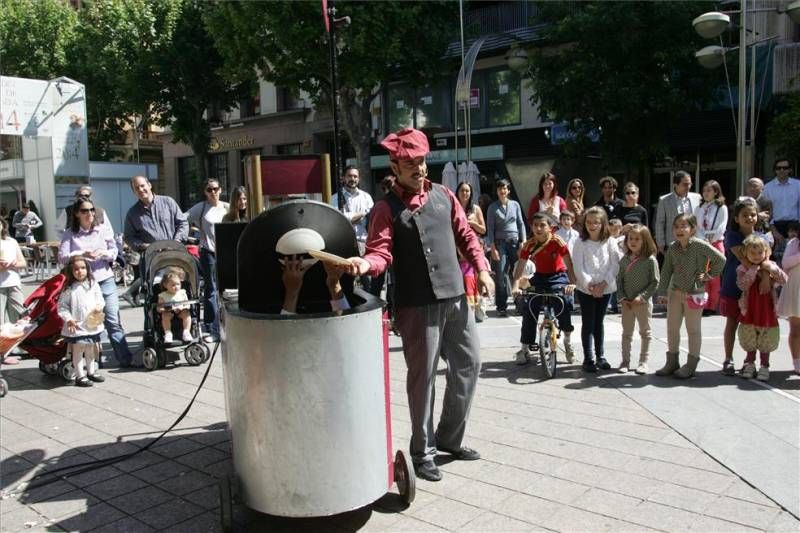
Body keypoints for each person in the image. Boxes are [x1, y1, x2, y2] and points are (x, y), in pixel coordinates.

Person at [340, 127, 493, 483]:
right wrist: (366, 264)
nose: (420, 169)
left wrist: (483, 269)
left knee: (470, 364)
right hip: (415, 304)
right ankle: (422, 450)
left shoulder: (444, 195)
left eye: (422, 162)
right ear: (394, 164)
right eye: (411, 164)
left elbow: (466, 235)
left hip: (456, 297)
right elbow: (379, 251)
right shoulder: (384, 208)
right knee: (422, 379)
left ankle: (449, 438)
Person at [59, 198, 135, 368]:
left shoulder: (103, 229)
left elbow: (115, 251)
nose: (90, 214)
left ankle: (125, 359)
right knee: (87, 323)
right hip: (82, 284)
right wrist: (81, 253)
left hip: (104, 279)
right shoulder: (70, 233)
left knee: (112, 320)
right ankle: (92, 363)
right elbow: (62, 257)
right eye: (85, 211)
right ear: (77, 214)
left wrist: (103, 253)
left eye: (92, 210)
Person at [655, 214, 725, 379]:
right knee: (672, 328)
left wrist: (709, 275)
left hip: (694, 294)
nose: (679, 230)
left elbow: (720, 259)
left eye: (684, 226)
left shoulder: (700, 245)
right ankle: (672, 361)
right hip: (675, 293)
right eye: (676, 226)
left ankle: (691, 364)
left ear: (693, 229)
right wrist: (663, 291)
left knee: (693, 330)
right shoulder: (672, 248)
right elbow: (666, 271)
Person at [511, 212, 576, 365]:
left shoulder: (557, 241)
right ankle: (524, 348)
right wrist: (515, 287)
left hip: (557, 276)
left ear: (550, 227)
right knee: (530, 308)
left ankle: (567, 341)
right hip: (540, 277)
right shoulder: (529, 244)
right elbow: (520, 267)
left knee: (564, 304)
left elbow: (569, 265)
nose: (538, 228)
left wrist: (572, 283)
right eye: (535, 225)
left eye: (542, 225)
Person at [122, 175, 188, 307]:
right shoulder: (132, 213)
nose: (141, 189)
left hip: (174, 255)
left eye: (142, 186)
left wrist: (175, 242)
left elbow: (182, 223)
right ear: (134, 192)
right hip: (153, 259)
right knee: (156, 294)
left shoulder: (168, 202)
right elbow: (129, 237)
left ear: (149, 185)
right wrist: (143, 246)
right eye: (137, 188)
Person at [572, 207, 623, 372]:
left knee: (598, 322)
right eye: (588, 222)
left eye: (596, 222)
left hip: (605, 288)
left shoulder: (610, 241)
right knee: (588, 322)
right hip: (586, 289)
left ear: (603, 224)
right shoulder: (580, 242)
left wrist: (603, 284)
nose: (592, 225)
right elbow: (578, 267)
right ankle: (588, 358)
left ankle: (600, 356)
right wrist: (589, 285)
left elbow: (615, 264)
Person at [736, 236, 788, 382]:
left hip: (766, 309)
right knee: (749, 336)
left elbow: (784, 280)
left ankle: (764, 366)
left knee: (766, 337)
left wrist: (770, 269)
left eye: (760, 252)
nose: (757, 256)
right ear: (746, 254)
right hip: (750, 309)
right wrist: (753, 270)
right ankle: (750, 363)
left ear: (766, 252)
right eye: (753, 253)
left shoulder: (771, 267)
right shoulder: (742, 268)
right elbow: (742, 285)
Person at [186, 178, 229, 342]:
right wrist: (190, 236)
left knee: (226, 289)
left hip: (225, 253)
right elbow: (184, 218)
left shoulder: (226, 207)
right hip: (208, 252)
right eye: (209, 190)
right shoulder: (201, 208)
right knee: (211, 289)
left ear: (220, 189)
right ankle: (211, 326)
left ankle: (225, 323)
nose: (213, 192)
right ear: (205, 192)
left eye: (216, 189)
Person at [719, 198, 759, 376]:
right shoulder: (732, 236)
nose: (749, 218)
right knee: (732, 322)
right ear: (736, 218)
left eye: (753, 214)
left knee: (752, 325)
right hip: (733, 284)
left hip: (755, 287)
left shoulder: (761, 237)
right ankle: (728, 359)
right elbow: (745, 259)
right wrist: (761, 264)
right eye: (745, 215)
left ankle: (750, 361)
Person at [616, 224, 659, 374]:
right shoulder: (624, 260)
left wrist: (642, 297)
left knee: (645, 332)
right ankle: (625, 361)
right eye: (630, 239)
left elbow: (655, 282)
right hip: (627, 303)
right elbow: (619, 280)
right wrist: (621, 298)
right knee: (626, 333)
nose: (633, 242)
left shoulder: (650, 260)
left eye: (637, 239)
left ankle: (643, 362)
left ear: (645, 240)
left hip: (643, 303)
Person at [57, 255, 106, 387]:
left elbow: (100, 298)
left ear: (88, 269)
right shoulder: (69, 288)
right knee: (78, 350)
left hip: (92, 323)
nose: (80, 271)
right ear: (71, 271)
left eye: (83, 268)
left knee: (90, 349)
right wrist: (68, 319)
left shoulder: (93, 284)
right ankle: (80, 375)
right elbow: (62, 306)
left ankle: (91, 371)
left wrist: (99, 306)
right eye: (76, 269)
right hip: (77, 326)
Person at [486, 179, 526, 317]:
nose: (503, 191)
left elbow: (521, 224)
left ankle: (520, 303)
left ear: (509, 190)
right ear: (496, 191)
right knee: (501, 274)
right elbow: (490, 229)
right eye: (500, 188)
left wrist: (523, 241)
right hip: (500, 243)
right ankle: (501, 306)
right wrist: (493, 248)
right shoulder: (492, 207)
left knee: (518, 273)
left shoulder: (515, 205)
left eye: (505, 188)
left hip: (515, 242)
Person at [693, 180, 727, 314]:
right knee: (702, 274)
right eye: (704, 190)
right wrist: (702, 239)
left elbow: (721, 226)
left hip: (716, 243)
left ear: (716, 192)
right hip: (701, 242)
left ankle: (713, 305)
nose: (706, 193)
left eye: (709, 190)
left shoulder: (721, 207)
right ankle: (703, 304)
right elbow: (696, 226)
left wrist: (711, 239)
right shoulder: (699, 208)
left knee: (714, 276)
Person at [456, 182, 487, 323]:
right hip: (457, 248)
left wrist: (473, 224)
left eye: (467, 191)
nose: (465, 193)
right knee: (461, 280)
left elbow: (483, 230)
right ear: (457, 192)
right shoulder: (453, 208)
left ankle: (476, 308)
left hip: (474, 248)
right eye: (462, 190)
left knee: (473, 280)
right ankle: (463, 310)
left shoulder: (476, 209)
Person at [654, 171, 702, 254]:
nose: (688, 187)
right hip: (673, 244)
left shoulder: (697, 198)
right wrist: (660, 244)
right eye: (685, 184)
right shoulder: (664, 200)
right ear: (675, 184)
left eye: (690, 184)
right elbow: (660, 223)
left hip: (694, 244)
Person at [330, 166, 374, 256]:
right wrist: (363, 213)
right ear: (343, 178)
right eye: (349, 176)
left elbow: (373, 220)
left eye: (355, 176)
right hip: (343, 244)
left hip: (364, 243)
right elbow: (340, 220)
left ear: (359, 179)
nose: (352, 179)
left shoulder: (366, 197)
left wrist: (350, 217)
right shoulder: (335, 198)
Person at [0, 218, 27, 365]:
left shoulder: (11, 242)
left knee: (19, 316)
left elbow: (23, 262)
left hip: (14, 283)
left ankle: (17, 347)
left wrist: (14, 264)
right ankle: (2, 354)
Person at [776, 222, 800, 375]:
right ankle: (797, 362)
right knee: (796, 329)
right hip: (795, 289)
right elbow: (785, 263)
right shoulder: (793, 243)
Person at [762, 158, 800, 245]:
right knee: (776, 256)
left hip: (795, 226)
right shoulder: (767, 188)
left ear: (790, 170)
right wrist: (773, 230)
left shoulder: (798, 185)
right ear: (775, 170)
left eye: (785, 168)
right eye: (778, 168)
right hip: (775, 226)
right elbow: (766, 211)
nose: (781, 170)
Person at [157, 270, 193, 343]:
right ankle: (168, 333)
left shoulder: (182, 293)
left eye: (178, 284)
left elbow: (187, 304)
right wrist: (163, 309)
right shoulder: (163, 295)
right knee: (165, 316)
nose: (176, 287)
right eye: (173, 285)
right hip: (169, 312)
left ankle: (186, 332)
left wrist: (182, 307)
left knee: (187, 314)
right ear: (165, 285)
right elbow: (159, 308)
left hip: (181, 311)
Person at [606, 218, 624, 314]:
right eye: (611, 230)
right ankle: (612, 305)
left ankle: (620, 304)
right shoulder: (607, 240)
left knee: (620, 286)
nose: (612, 232)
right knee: (611, 285)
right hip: (611, 266)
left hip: (622, 265)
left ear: (620, 229)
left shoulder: (624, 239)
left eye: (615, 230)